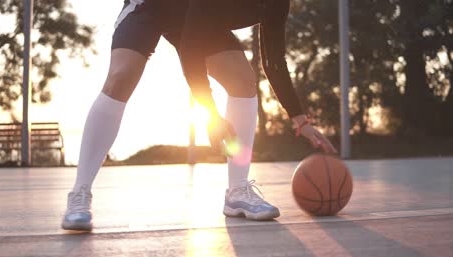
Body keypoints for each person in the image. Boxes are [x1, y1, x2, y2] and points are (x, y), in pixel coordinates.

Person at [62, 0, 336, 231]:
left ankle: (237, 191)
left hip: (196, 17)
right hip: (152, 7)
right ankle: (80, 192)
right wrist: (211, 115)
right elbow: (190, 48)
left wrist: (299, 119)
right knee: (122, 76)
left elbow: (274, 59)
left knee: (242, 78)